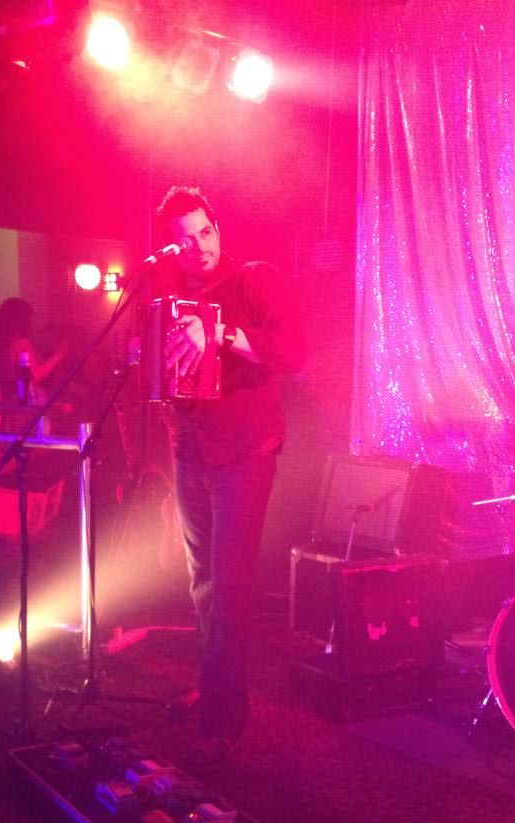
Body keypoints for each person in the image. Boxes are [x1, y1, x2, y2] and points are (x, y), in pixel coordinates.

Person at [154, 185, 307, 768]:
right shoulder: (169, 295)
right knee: (202, 582)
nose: (199, 246)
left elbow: (294, 354)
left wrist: (219, 334)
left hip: (244, 453)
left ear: (217, 228)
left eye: (205, 232)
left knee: (231, 584)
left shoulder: (254, 280)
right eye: (184, 240)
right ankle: (212, 684)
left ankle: (222, 721)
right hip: (190, 450)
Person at [0, 297, 67, 403]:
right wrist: (56, 357)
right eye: (29, 319)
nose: (32, 323)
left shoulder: (1, 344)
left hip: (6, 400)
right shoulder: (21, 344)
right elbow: (32, 377)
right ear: (21, 321)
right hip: (22, 402)